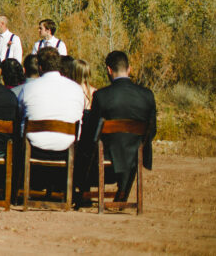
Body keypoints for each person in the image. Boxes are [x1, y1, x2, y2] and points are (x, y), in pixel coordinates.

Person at [82, 50, 157, 200]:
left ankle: (84, 193)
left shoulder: (101, 96)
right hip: (136, 154)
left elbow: (92, 132)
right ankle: (123, 191)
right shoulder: (147, 95)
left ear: (109, 70)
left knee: (85, 147)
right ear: (129, 69)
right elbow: (152, 130)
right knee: (126, 146)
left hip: (107, 154)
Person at [18, 47, 84, 155]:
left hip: (34, 149)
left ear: (40, 67)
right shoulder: (76, 89)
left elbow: (19, 112)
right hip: (66, 148)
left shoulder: (28, 88)